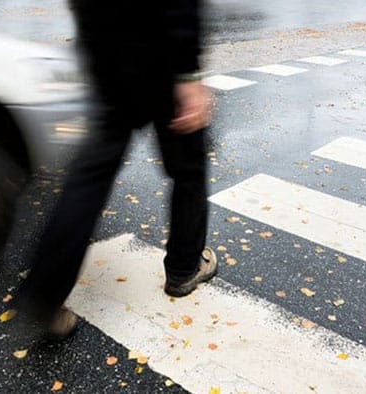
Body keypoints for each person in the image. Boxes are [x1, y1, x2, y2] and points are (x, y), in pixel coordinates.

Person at [16, 0, 216, 337]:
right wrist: (187, 73)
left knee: (89, 177)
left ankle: (43, 295)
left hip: (106, 51)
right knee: (189, 169)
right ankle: (184, 268)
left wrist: (93, 44)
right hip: (160, 52)